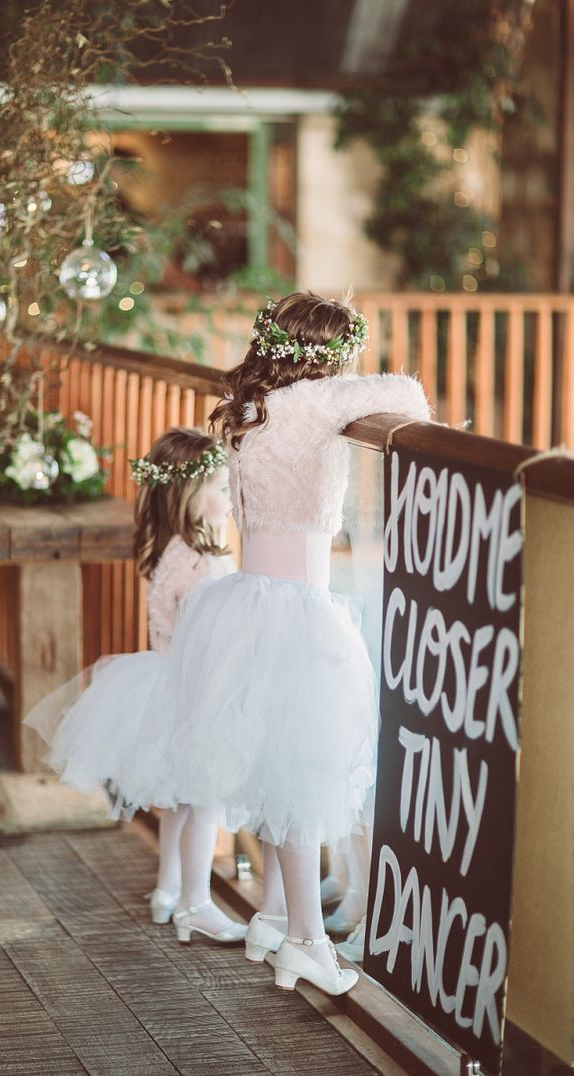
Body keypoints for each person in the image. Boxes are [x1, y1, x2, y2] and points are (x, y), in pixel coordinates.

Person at [167, 291, 432, 995]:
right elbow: (409, 396)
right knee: (305, 774)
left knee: (285, 772)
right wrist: (342, 384)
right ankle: (306, 939)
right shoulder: (317, 403)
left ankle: (279, 921)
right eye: (345, 351)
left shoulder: (249, 409)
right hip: (301, 610)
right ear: (326, 357)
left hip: (250, 599)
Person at [25, 427, 247, 944]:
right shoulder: (199, 561)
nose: (231, 496)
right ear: (189, 496)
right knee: (203, 799)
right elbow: (208, 638)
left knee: (178, 798)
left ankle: (168, 889)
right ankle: (196, 904)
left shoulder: (171, 549)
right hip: (194, 689)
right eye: (221, 485)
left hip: (163, 683)